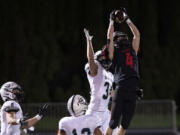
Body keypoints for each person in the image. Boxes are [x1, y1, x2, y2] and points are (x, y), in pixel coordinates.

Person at [105, 8, 141, 135]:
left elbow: (137, 35)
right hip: (120, 89)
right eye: (119, 36)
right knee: (113, 123)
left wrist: (128, 20)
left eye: (123, 36)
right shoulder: (114, 53)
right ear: (115, 42)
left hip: (132, 90)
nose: (122, 38)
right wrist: (111, 22)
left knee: (124, 126)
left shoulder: (133, 50)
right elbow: (109, 36)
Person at [83, 28, 117, 135]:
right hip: (94, 112)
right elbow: (90, 58)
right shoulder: (96, 68)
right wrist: (89, 41)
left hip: (105, 112)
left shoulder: (109, 75)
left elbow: (112, 94)